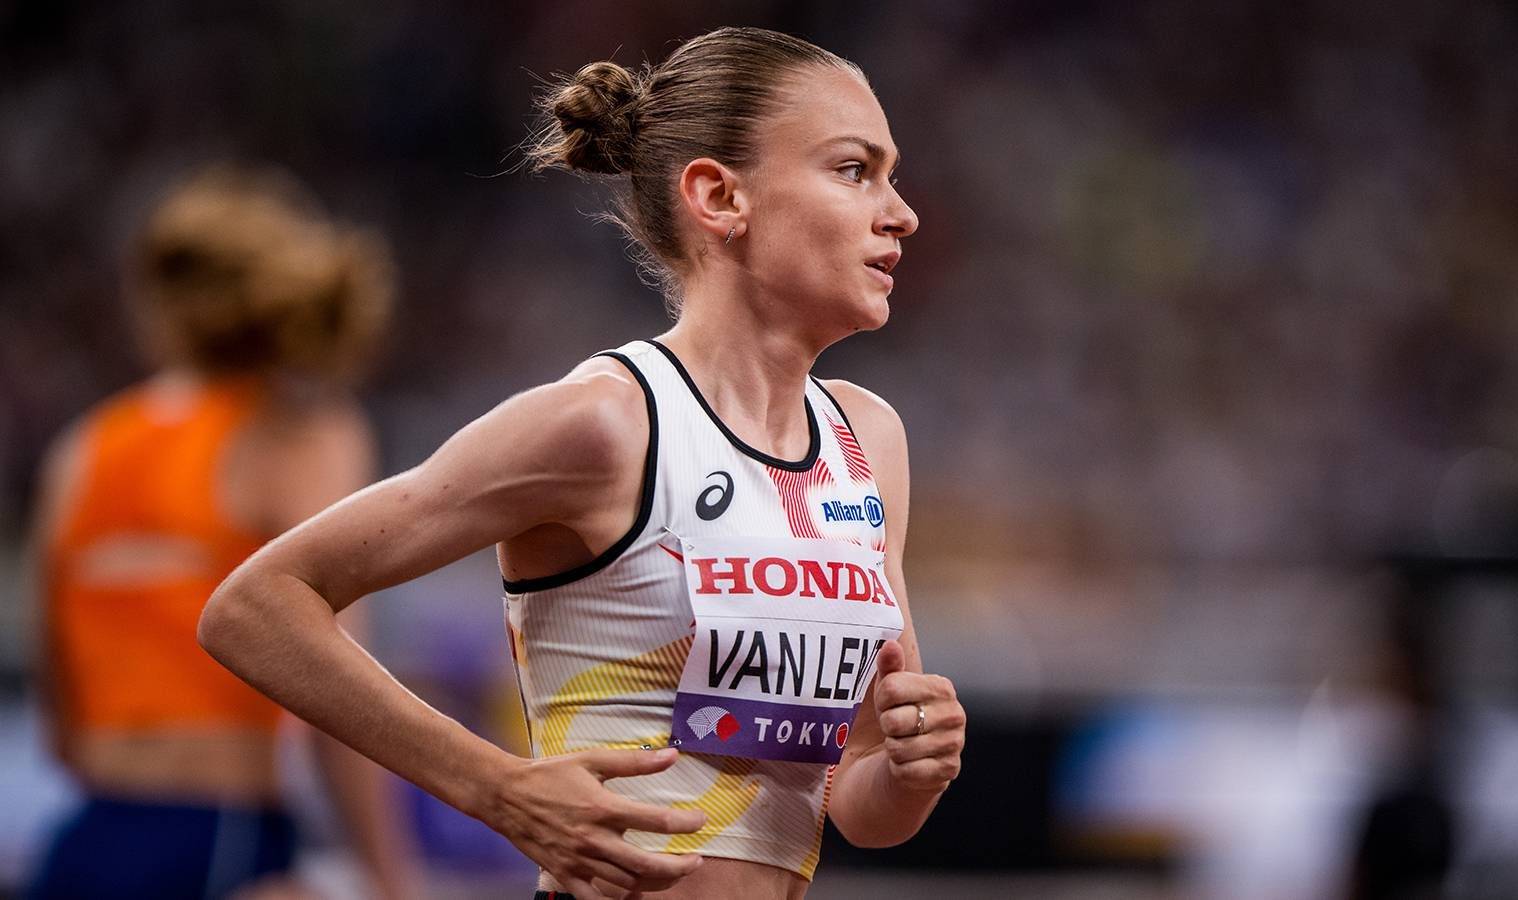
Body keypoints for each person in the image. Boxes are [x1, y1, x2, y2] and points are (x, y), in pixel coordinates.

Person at [199, 26, 967, 900]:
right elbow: (254, 607)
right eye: (853, 170)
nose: (901, 210)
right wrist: (495, 787)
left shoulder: (870, 441)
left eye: (892, 175)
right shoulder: (608, 424)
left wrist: (911, 769)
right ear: (719, 196)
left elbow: (856, 802)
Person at [27, 165, 419, 899]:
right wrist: (392, 879)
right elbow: (341, 687)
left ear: (159, 305)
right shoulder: (300, 435)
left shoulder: (85, 447)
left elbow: (58, 699)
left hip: (89, 841)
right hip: (221, 840)